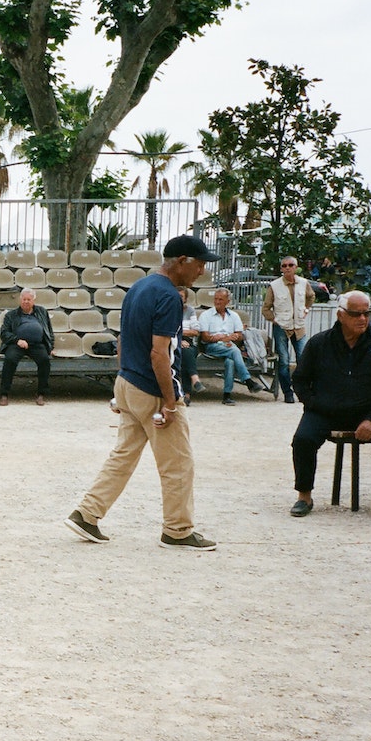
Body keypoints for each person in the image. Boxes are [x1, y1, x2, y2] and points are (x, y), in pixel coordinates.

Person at [64, 234, 220, 551]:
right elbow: (160, 355)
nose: (202, 271)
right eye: (200, 263)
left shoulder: (140, 286)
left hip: (129, 383)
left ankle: (87, 514)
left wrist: (122, 382)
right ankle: (177, 530)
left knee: (123, 456)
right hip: (152, 389)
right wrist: (170, 402)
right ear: (182, 261)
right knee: (178, 464)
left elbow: (123, 339)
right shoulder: (169, 297)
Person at [289, 291, 371, 522]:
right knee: (303, 439)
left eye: (366, 313)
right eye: (356, 314)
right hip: (325, 411)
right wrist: (313, 404)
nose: (362, 319)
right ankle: (304, 497)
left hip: (368, 412)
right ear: (341, 315)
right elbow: (300, 379)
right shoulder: (319, 343)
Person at [262, 255, 316, 404]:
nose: (287, 268)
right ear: (281, 268)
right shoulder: (274, 285)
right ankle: (287, 392)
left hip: (299, 325)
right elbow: (266, 308)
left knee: (303, 359)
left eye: (290, 265)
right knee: (284, 361)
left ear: (296, 267)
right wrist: (274, 319)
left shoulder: (304, 283)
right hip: (281, 327)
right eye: (284, 266)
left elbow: (311, 297)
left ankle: (303, 390)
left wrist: (306, 309)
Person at [199, 287, 267, 405]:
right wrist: (222, 338)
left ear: (228, 302)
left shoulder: (234, 316)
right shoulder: (206, 315)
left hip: (229, 345)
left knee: (230, 361)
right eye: (216, 299)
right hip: (212, 346)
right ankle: (248, 380)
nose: (217, 302)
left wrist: (234, 337)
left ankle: (227, 396)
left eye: (221, 299)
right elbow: (205, 337)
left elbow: (240, 336)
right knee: (234, 351)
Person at [0, 288, 53, 406]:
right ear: (20, 300)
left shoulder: (42, 312)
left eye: (29, 299)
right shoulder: (11, 315)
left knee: (44, 361)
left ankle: (41, 394)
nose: (26, 302)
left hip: (37, 344)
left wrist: (50, 346)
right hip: (16, 344)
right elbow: (4, 334)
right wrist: (17, 340)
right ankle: (4, 394)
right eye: (24, 299)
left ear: (33, 300)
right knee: (10, 360)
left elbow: (49, 331)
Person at [175, 286, 205, 403]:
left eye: (181, 297)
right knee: (185, 352)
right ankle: (193, 384)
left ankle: (186, 394)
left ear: (186, 299)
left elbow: (196, 331)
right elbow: (168, 330)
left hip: (188, 341)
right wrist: (179, 338)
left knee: (187, 352)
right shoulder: (168, 310)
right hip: (173, 340)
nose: (179, 299)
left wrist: (181, 333)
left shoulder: (190, 310)